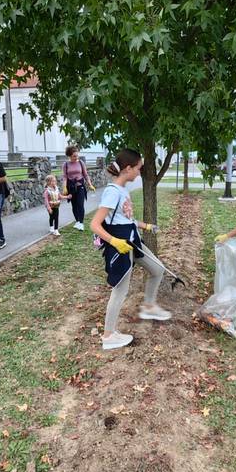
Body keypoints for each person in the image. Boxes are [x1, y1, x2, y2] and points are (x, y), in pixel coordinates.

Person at [90, 149, 171, 350]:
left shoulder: (123, 190)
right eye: (138, 168)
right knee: (120, 290)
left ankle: (149, 305)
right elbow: (95, 224)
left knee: (157, 269)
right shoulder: (112, 191)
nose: (139, 172)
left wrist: (145, 226)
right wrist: (114, 242)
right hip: (121, 247)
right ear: (128, 169)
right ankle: (108, 336)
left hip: (133, 241)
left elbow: (125, 218)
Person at [61, 146, 95, 230]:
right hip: (71, 187)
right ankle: (77, 221)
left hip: (80, 186)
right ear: (69, 156)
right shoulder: (65, 164)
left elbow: (85, 175)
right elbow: (65, 177)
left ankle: (81, 223)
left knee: (80, 204)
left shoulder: (80, 163)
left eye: (77, 155)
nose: (76, 157)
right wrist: (64, 187)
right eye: (74, 156)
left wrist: (90, 184)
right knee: (74, 205)